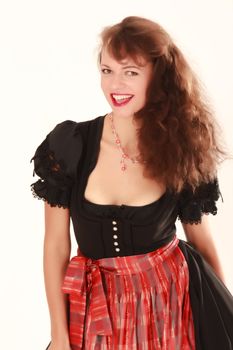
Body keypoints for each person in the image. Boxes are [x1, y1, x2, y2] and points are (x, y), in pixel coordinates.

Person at [30, 16, 233, 350]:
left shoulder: (183, 149)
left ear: (158, 77)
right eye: (107, 70)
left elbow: (202, 241)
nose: (115, 85)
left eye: (131, 72)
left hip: (169, 306)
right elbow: (55, 246)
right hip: (94, 312)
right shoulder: (70, 145)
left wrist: (222, 325)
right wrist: (59, 336)